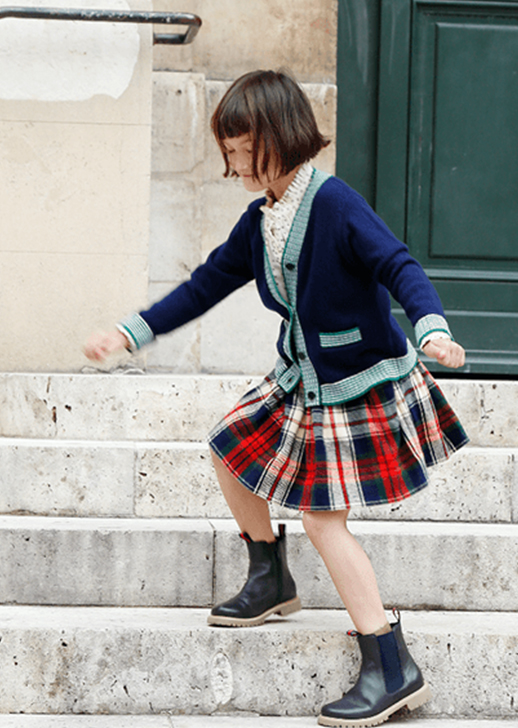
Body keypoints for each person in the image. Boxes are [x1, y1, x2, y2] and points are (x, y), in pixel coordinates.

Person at [84, 69, 469, 727]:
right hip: (302, 375)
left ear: (279, 138)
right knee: (230, 448)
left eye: (243, 150)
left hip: (356, 381)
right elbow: (205, 284)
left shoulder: (334, 202)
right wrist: (131, 332)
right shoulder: (262, 217)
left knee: (322, 520)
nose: (234, 164)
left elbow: (398, 264)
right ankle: (270, 577)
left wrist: (432, 326)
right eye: (228, 151)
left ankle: (390, 664)